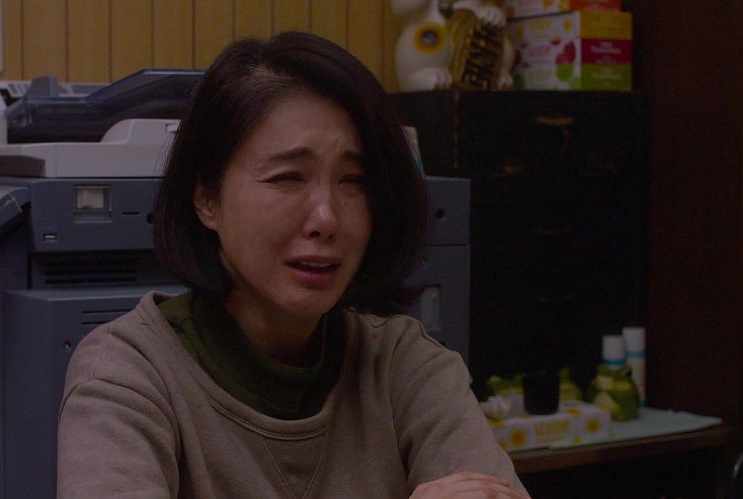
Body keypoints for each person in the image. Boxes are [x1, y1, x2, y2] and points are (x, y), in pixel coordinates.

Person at [57, 31, 528, 498]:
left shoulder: (405, 365)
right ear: (206, 198)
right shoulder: (126, 373)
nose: (326, 219)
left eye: (353, 181)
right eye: (288, 177)